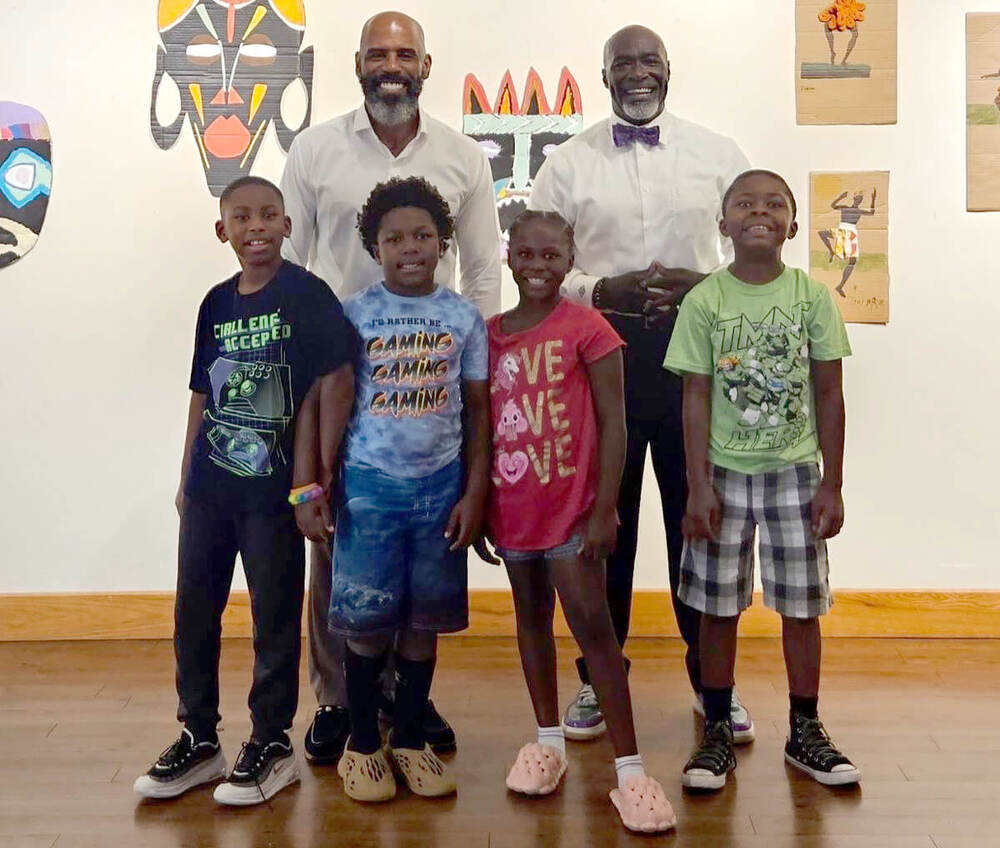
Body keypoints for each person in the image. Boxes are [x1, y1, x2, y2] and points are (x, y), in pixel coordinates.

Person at [280, 10, 501, 763]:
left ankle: (410, 700)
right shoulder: (313, 151)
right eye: (379, 53)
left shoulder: (465, 157)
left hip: (433, 384)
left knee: (420, 552)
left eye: (405, 53)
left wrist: (467, 359)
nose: (392, 64)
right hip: (344, 380)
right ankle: (340, 701)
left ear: (427, 64)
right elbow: (299, 267)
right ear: (357, 64)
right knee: (339, 550)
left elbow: (481, 271)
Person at [529, 24, 755, 742]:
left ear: (668, 69)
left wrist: (704, 282)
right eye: (621, 63)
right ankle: (599, 677)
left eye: (648, 60)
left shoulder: (721, 156)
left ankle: (710, 679)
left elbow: (753, 250)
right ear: (603, 76)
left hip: (695, 365)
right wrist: (604, 287)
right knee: (605, 527)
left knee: (700, 520)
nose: (636, 73)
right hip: (601, 362)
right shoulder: (565, 165)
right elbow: (538, 264)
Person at [133, 177, 356, 805]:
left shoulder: (308, 296)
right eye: (241, 217)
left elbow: (335, 382)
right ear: (221, 230)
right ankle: (200, 737)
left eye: (268, 215)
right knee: (194, 612)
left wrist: (316, 478)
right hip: (211, 488)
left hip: (274, 493)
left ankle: (272, 741)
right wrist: (185, 479)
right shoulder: (214, 303)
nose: (255, 225)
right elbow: (202, 394)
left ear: (288, 225)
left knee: (274, 615)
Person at [478, 211, 675, 833]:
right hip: (514, 510)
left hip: (571, 513)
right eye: (527, 254)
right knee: (530, 622)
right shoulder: (489, 335)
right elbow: (480, 430)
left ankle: (631, 772)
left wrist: (605, 507)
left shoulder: (588, 328)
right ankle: (546, 743)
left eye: (551, 256)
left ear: (571, 259)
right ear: (510, 257)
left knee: (594, 629)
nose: (538, 266)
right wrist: (480, 501)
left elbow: (616, 423)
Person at [664, 169, 860, 790]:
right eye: (744, 203)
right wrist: (697, 484)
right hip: (723, 475)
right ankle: (717, 726)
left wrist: (831, 482)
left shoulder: (811, 296)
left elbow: (829, 393)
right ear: (722, 223)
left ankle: (806, 728)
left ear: (793, 225)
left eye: (775, 203)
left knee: (802, 608)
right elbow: (694, 398)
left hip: (795, 476)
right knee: (717, 607)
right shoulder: (705, 300)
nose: (760, 211)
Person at [331, 177, 489, 802]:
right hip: (369, 487)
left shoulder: (463, 317)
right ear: (375, 248)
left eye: (423, 235)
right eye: (393, 238)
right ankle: (363, 743)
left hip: (441, 488)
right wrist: (317, 486)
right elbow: (335, 405)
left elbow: (477, 412)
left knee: (424, 621)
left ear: (444, 242)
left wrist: (475, 493)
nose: (410, 247)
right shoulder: (355, 313)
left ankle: (409, 740)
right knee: (367, 621)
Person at [817, 188, 876, 296]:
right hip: (843, 230)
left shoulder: (859, 211)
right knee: (822, 233)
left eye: (861, 199)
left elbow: (871, 213)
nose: (859, 200)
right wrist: (841, 197)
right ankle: (831, 251)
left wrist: (873, 200)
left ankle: (840, 286)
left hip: (851, 234)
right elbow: (833, 206)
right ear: (854, 198)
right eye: (858, 198)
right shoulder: (845, 208)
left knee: (852, 261)